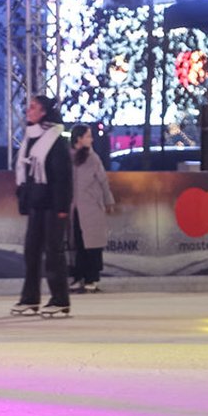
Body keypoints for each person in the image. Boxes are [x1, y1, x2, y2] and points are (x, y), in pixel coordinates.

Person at [11, 95, 72, 316]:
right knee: (31, 251)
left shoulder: (55, 139)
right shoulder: (30, 137)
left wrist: (62, 206)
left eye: (34, 107)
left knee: (54, 252)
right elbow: (25, 171)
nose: (29, 110)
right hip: (37, 202)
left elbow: (63, 175)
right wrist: (24, 196)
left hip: (54, 205)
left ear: (44, 111)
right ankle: (30, 298)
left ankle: (60, 299)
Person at [68, 124, 114, 293]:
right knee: (79, 244)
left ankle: (92, 278)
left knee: (93, 245)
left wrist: (108, 201)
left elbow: (103, 181)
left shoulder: (93, 158)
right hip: (76, 208)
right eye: (88, 136)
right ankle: (79, 276)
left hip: (92, 207)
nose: (91, 139)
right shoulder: (68, 157)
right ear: (78, 139)